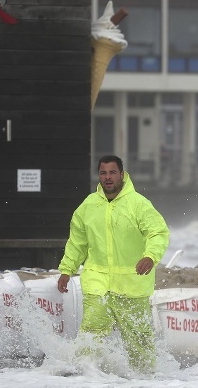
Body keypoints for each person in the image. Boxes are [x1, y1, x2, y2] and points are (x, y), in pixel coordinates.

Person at [57, 155, 170, 372]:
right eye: (103, 173)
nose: (108, 177)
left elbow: (158, 232)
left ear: (121, 174)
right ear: (98, 175)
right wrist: (66, 270)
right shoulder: (88, 206)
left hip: (132, 287)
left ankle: (145, 383)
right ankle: (85, 381)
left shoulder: (138, 204)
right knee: (90, 336)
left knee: (140, 344)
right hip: (97, 286)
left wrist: (150, 256)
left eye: (112, 172)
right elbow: (77, 243)